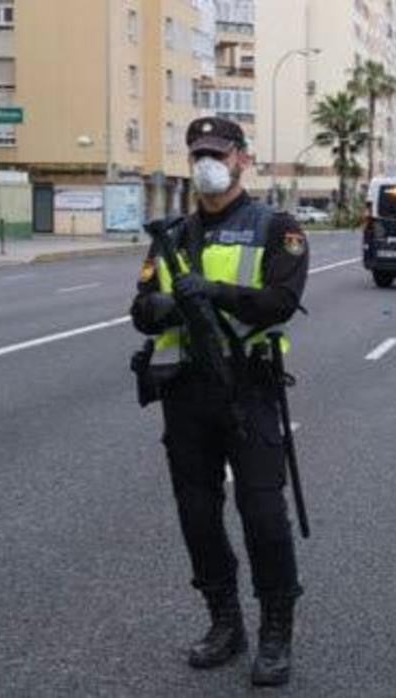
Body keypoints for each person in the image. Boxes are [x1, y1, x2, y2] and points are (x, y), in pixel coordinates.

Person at [130, 116, 309, 687]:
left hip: (248, 389)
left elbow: (280, 301)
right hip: (184, 393)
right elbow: (140, 307)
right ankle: (224, 623)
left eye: (219, 152)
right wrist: (157, 309)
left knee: (262, 513)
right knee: (197, 514)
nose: (208, 162)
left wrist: (214, 293)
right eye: (199, 153)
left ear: (241, 160)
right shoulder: (173, 235)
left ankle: (275, 632)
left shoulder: (274, 226)